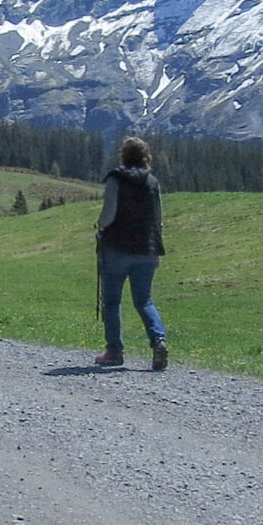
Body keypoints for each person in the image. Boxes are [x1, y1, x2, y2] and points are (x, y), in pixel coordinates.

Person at [94, 137, 169, 371]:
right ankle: (159, 340)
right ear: (146, 156)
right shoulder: (152, 182)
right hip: (146, 250)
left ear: (123, 155)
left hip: (116, 248)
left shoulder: (116, 179)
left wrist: (99, 228)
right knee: (144, 300)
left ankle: (114, 352)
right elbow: (159, 220)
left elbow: (109, 214)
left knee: (112, 302)